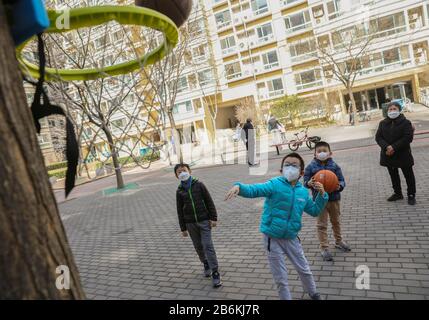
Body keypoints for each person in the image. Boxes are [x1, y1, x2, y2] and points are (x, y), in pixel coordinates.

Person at [225, 153, 328, 300]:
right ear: (281, 170)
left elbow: (314, 211)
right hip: (272, 239)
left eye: (294, 165)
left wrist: (322, 195)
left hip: (292, 238)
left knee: (304, 269)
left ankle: (313, 293)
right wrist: (239, 187)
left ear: (302, 172)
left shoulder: (303, 192)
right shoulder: (274, 184)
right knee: (281, 277)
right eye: (287, 165)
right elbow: (255, 189)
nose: (290, 168)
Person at [175, 163, 222, 287]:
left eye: (184, 170)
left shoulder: (199, 185)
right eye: (179, 172)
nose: (182, 173)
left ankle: (215, 271)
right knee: (198, 246)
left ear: (190, 171)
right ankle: (205, 263)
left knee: (208, 245)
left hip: (204, 221)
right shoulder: (179, 191)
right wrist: (183, 228)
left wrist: (213, 218)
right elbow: (179, 210)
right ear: (176, 176)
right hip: (190, 224)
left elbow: (209, 201)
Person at [304, 141, 350, 262]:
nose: (322, 153)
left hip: (334, 198)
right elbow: (305, 182)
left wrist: (339, 186)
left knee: (336, 221)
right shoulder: (310, 167)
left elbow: (341, 180)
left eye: (324, 151)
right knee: (321, 225)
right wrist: (308, 183)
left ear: (330, 153)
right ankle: (324, 247)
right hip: (319, 201)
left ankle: (339, 241)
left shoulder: (335, 166)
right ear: (315, 154)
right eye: (319, 151)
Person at [375, 101, 416, 205]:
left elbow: (408, 137)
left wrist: (393, 147)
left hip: (403, 154)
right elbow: (378, 137)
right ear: (387, 111)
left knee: (408, 175)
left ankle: (411, 194)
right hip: (389, 155)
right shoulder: (383, 123)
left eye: (394, 109)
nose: (392, 111)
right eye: (390, 109)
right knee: (393, 175)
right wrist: (387, 147)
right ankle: (398, 193)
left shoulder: (406, 122)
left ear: (399, 110)